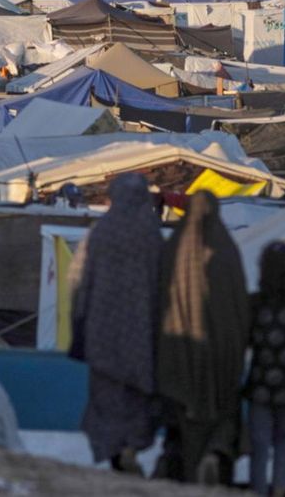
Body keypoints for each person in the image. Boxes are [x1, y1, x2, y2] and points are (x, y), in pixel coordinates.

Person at [70, 173, 164, 473]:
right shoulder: (151, 233)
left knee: (106, 396)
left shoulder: (102, 231)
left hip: (103, 332)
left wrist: (79, 323)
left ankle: (112, 452)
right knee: (136, 398)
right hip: (141, 333)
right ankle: (130, 447)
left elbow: (84, 282)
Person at [155, 189, 250, 484]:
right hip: (220, 355)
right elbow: (239, 306)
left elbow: (159, 300)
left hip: (178, 352)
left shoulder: (173, 249)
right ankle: (214, 456)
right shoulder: (226, 251)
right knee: (222, 415)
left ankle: (183, 472)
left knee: (181, 422)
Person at [244, 241, 285, 497]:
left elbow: (249, 338)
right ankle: (280, 488)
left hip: (262, 384)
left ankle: (258, 490)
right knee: (283, 441)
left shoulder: (258, 301)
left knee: (259, 446)